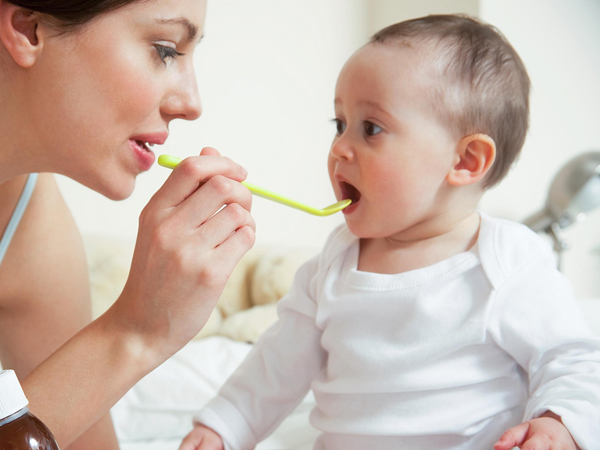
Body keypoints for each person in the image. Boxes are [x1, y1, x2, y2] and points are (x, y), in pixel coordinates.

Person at [180, 14, 600, 450]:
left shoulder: (507, 259)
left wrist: (559, 422)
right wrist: (222, 428)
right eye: (339, 124)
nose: (340, 147)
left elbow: (569, 358)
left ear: (466, 161)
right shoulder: (332, 267)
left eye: (371, 128)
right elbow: (273, 368)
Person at [0, 0, 256, 449]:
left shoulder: (28, 220)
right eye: (164, 49)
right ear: (28, 28)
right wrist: (134, 330)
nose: (191, 104)